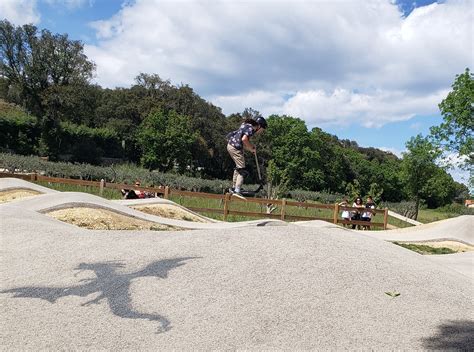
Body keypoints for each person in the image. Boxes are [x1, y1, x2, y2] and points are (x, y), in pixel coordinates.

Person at [226, 116, 267, 198]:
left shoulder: (246, 125)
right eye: (262, 129)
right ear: (259, 126)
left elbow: (241, 141)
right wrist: (251, 147)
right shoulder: (251, 128)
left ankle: (234, 188)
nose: (261, 132)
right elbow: (244, 140)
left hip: (231, 145)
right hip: (235, 148)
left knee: (238, 168)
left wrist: (251, 149)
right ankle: (237, 190)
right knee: (242, 170)